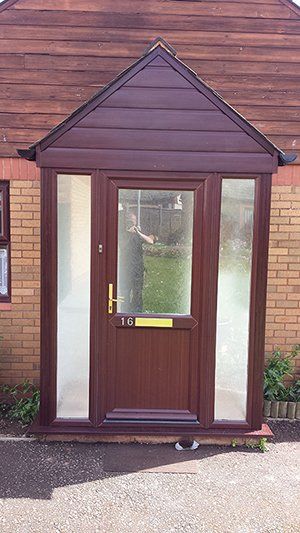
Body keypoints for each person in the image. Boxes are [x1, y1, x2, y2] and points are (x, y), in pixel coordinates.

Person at [119, 212, 155, 313]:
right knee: (125, 293)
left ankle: (137, 313)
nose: (131, 223)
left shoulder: (139, 234)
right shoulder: (121, 234)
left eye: (133, 221)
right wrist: (128, 232)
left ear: (136, 222)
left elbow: (151, 241)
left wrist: (138, 233)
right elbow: (122, 246)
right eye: (129, 221)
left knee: (137, 293)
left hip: (138, 269)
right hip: (125, 269)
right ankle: (124, 314)